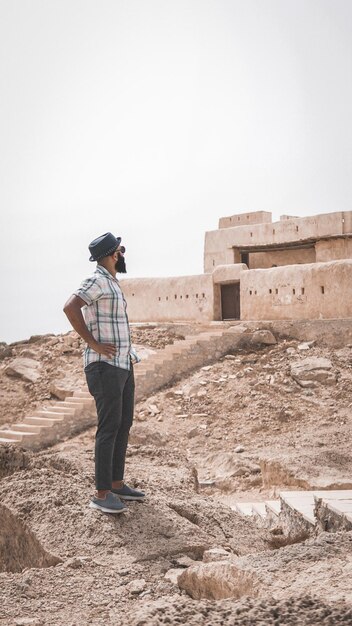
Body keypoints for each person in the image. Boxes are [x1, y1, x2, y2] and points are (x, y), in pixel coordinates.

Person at [63, 232, 145, 514]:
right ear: (113, 255)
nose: (122, 255)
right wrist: (93, 343)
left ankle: (116, 483)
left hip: (123, 364)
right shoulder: (97, 280)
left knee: (124, 424)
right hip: (103, 366)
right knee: (109, 426)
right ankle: (101, 494)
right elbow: (70, 306)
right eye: (120, 251)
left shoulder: (112, 283)